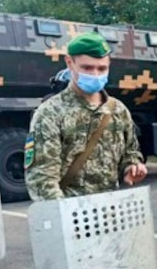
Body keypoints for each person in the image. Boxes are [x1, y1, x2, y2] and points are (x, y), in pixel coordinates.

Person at [26, 32, 147, 201]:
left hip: (112, 213)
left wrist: (132, 168)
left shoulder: (118, 110)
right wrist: (65, 217)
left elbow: (131, 152)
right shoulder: (49, 113)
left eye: (102, 68)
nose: (95, 74)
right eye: (87, 68)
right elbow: (42, 179)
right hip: (72, 216)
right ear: (70, 63)